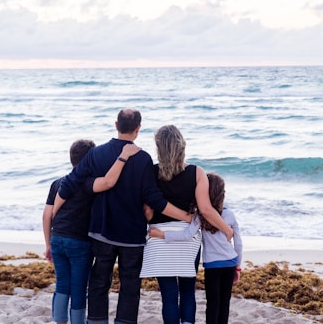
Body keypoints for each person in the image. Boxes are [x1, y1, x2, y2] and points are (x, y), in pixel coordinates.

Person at [54, 109, 193, 324]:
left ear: (116, 124)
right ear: (138, 129)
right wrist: (185, 216)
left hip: (101, 231)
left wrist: (53, 212)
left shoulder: (96, 153)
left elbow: (71, 182)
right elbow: (154, 199)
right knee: (130, 286)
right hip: (132, 236)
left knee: (99, 283)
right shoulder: (144, 158)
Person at [140, 125, 233, 324]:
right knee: (187, 290)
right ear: (182, 145)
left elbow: (147, 212)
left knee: (169, 295)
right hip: (187, 237)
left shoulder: (151, 172)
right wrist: (226, 229)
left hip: (159, 238)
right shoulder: (197, 172)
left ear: (159, 148)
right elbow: (206, 209)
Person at [43, 139, 140, 324]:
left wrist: (48, 243)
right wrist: (124, 156)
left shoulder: (58, 183)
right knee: (79, 288)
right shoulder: (89, 184)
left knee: (62, 285)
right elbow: (109, 182)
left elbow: (47, 216)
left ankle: (60, 322)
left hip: (57, 239)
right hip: (80, 243)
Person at [150, 172, 243, 324]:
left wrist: (162, 235)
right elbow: (238, 243)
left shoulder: (200, 216)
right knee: (225, 303)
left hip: (213, 266)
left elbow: (186, 234)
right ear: (222, 194)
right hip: (230, 263)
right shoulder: (230, 214)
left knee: (212, 304)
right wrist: (237, 266)